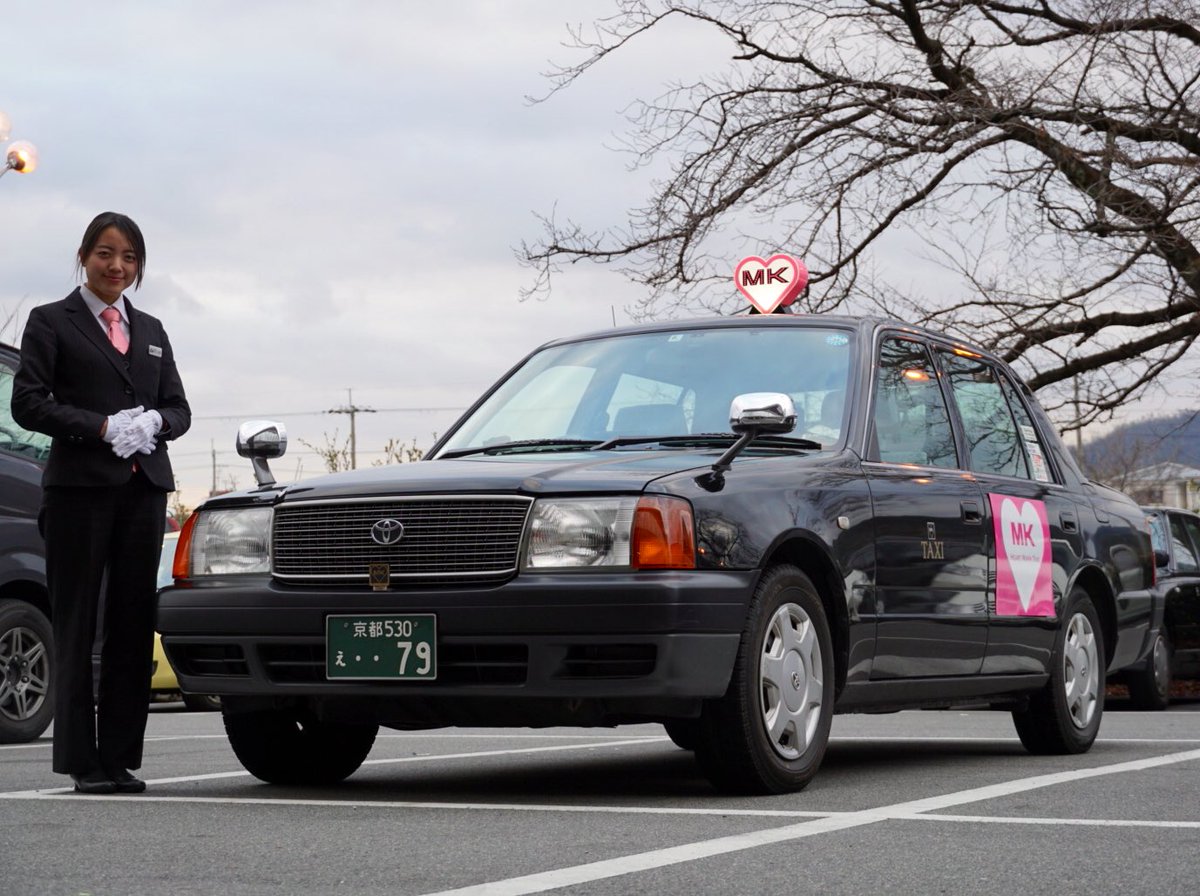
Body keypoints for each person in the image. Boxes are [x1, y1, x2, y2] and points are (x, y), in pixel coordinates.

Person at [11, 212, 190, 794]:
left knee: (133, 625)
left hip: (143, 490)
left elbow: (180, 410)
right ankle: (82, 762)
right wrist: (101, 427)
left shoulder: (154, 329)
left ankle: (120, 756)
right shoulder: (50, 322)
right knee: (78, 619)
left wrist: (157, 421)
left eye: (130, 258)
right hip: (78, 492)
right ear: (84, 256)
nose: (117, 266)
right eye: (106, 254)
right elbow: (29, 404)